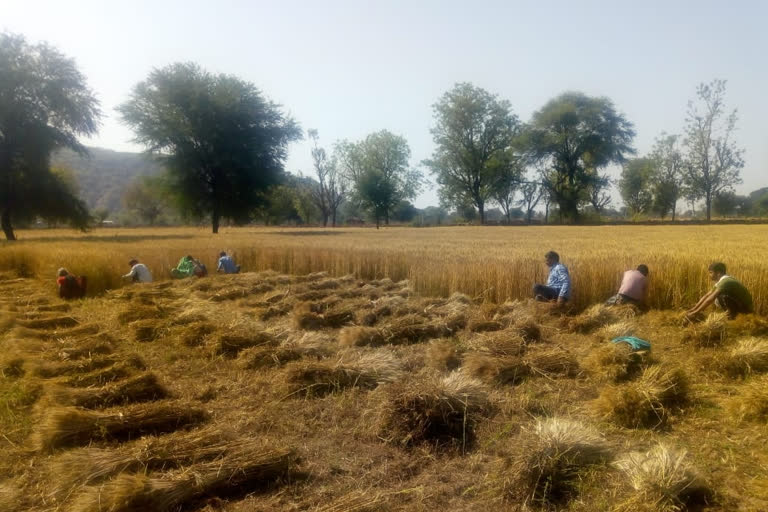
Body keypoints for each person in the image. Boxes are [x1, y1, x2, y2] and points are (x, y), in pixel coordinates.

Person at [686, 262, 753, 320]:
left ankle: (733, 316)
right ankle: (732, 314)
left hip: (746, 309)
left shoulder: (726, 282)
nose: (709, 275)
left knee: (721, 296)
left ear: (718, 273)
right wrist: (693, 309)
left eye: (711, 273)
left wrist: (695, 313)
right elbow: (707, 295)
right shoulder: (721, 282)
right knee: (719, 295)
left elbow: (710, 299)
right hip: (740, 305)